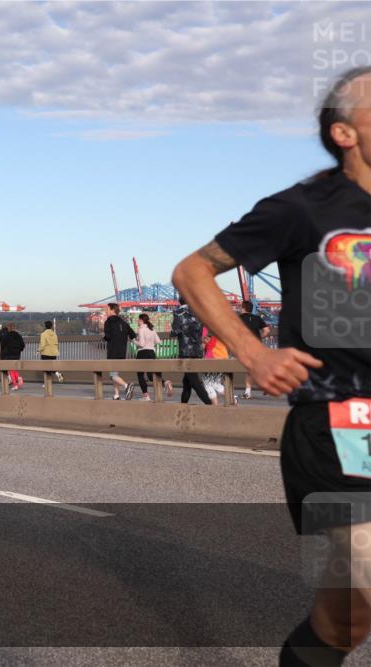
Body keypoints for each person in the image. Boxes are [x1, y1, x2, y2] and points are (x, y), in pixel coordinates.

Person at [172, 67, 371, 667]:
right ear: (344, 133)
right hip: (342, 424)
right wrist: (253, 351)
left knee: (343, 622)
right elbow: (192, 271)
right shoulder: (304, 207)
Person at [171, 297, 212, 405]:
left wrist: (175, 331)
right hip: (198, 351)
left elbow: (175, 331)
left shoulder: (178, 313)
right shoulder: (197, 314)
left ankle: (209, 404)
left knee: (194, 381)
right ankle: (183, 405)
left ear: (179, 302)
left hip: (186, 351)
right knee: (187, 382)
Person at [134, 313, 173, 401]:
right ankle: (165, 382)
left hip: (142, 353)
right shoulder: (152, 329)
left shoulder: (141, 329)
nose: (137, 321)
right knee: (151, 375)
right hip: (151, 353)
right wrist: (150, 344)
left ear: (141, 320)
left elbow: (141, 344)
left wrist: (134, 341)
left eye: (138, 320)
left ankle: (146, 396)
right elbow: (158, 341)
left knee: (140, 375)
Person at [239, 300, 272, 400]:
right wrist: (260, 337)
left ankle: (248, 392)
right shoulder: (257, 318)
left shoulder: (238, 319)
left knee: (250, 369)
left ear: (243, 308)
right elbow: (267, 330)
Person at [103, 303, 136, 400]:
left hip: (113, 352)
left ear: (112, 310)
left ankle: (126, 385)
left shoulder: (108, 322)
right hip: (122, 352)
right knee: (115, 374)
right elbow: (133, 335)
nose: (106, 311)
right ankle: (116, 394)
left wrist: (104, 337)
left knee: (112, 375)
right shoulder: (124, 322)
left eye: (107, 309)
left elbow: (108, 336)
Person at [0, 322, 26, 390]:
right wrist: (19, 350)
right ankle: (18, 378)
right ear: (14, 328)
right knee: (14, 369)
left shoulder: (6, 336)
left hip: (8, 355)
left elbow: (2, 345)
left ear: (8, 328)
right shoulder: (18, 335)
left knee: (11, 370)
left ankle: (15, 384)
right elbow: (22, 345)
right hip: (17, 355)